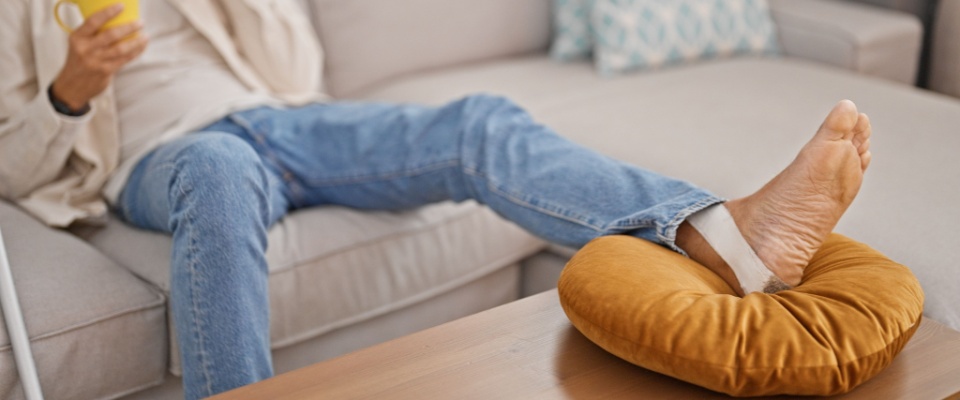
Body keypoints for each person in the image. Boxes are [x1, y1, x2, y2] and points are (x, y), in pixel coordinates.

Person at [0, 1, 872, 398]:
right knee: (219, 169)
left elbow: (296, 70)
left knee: (477, 122)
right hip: (160, 156)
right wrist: (71, 88)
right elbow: (14, 162)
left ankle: (724, 235)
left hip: (284, 122)